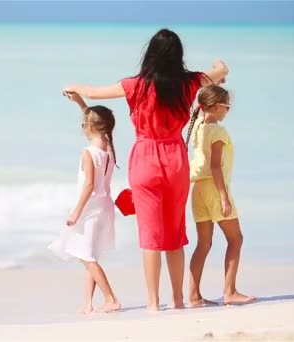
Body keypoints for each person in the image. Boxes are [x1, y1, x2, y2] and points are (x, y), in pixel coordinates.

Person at [62, 28, 228, 311]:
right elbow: (222, 70)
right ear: (178, 56)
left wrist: (75, 86)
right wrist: (218, 66)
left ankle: (153, 303)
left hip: (145, 159)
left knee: (150, 236)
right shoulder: (190, 83)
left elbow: (93, 91)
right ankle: (177, 300)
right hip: (175, 158)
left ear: (150, 54)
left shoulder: (134, 85)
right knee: (175, 234)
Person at [48, 92, 121, 314]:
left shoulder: (89, 152)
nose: (82, 127)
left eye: (83, 124)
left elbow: (89, 186)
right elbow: (96, 118)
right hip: (105, 206)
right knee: (90, 254)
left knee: (86, 255)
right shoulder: (107, 147)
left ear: (89, 127)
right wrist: (81, 103)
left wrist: (75, 213)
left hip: (91, 208)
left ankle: (111, 298)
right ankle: (88, 303)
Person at [185, 84, 256, 306]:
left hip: (197, 190)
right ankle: (230, 292)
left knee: (203, 243)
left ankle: (194, 296)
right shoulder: (217, 131)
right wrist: (224, 198)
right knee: (236, 239)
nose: (228, 110)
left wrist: (217, 77)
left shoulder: (197, 126)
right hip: (215, 189)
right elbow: (215, 167)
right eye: (227, 106)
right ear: (215, 107)